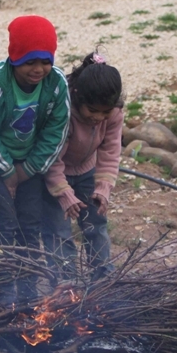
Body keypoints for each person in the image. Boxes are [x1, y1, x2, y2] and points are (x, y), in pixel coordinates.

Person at [0, 15, 70, 307]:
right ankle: (2, 292)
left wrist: (27, 170)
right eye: (29, 62)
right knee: (4, 224)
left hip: (30, 165)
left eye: (45, 61)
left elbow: (56, 131)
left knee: (30, 224)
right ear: (14, 57)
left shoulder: (56, 83)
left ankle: (27, 291)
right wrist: (5, 170)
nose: (38, 69)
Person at [42, 52, 124, 283]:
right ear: (78, 98)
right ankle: (65, 284)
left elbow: (110, 151)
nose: (98, 117)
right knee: (59, 231)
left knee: (95, 225)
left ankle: (103, 280)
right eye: (92, 111)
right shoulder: (63, 112)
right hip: (55, 174)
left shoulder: (113, 113)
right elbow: (52, 157)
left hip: (86, 171)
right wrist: (63, 193)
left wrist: (103, 186)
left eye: (105, 112)